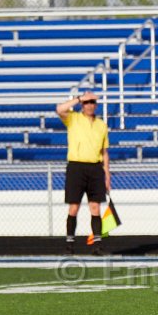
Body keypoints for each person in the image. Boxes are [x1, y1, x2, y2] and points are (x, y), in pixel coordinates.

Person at [56, 91, 110, 255]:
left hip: (95, 168)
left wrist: (107, 175)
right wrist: (79, 98)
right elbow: (59, 109)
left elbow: (104, 152)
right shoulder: (74, 119)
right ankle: (70, 244)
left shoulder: (101, 125)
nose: (90, 105)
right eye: (87, 102)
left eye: (92, 102)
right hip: (76, 167)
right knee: (74, 207)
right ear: (82, 105)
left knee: (95, 207)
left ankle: (97, 245)